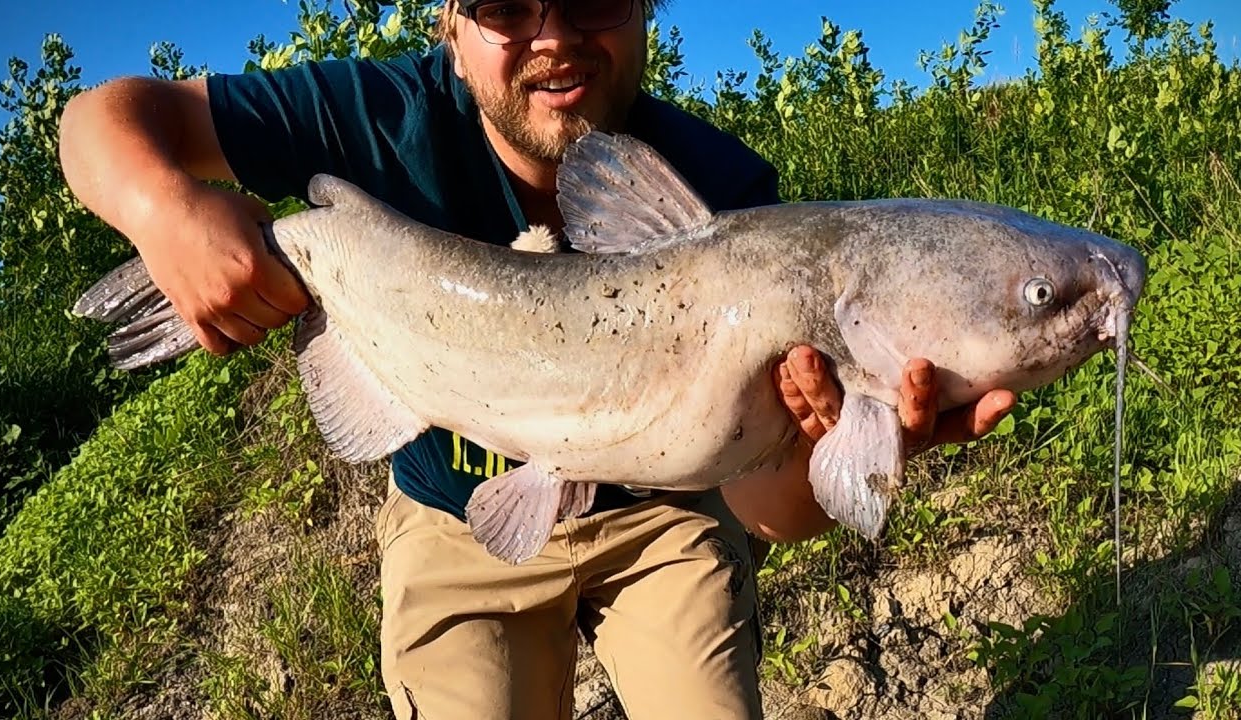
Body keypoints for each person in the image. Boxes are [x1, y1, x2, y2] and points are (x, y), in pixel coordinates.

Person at [58, 0, 1015, 717]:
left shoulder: (726, 191)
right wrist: (164, 213)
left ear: (646, 9)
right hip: (453, 518)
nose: (552, 36)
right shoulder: (374, 114)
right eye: (508, 6)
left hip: (663, 515)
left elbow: (765, 509)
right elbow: (97, 124)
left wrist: (839, 442)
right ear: (451, 25)